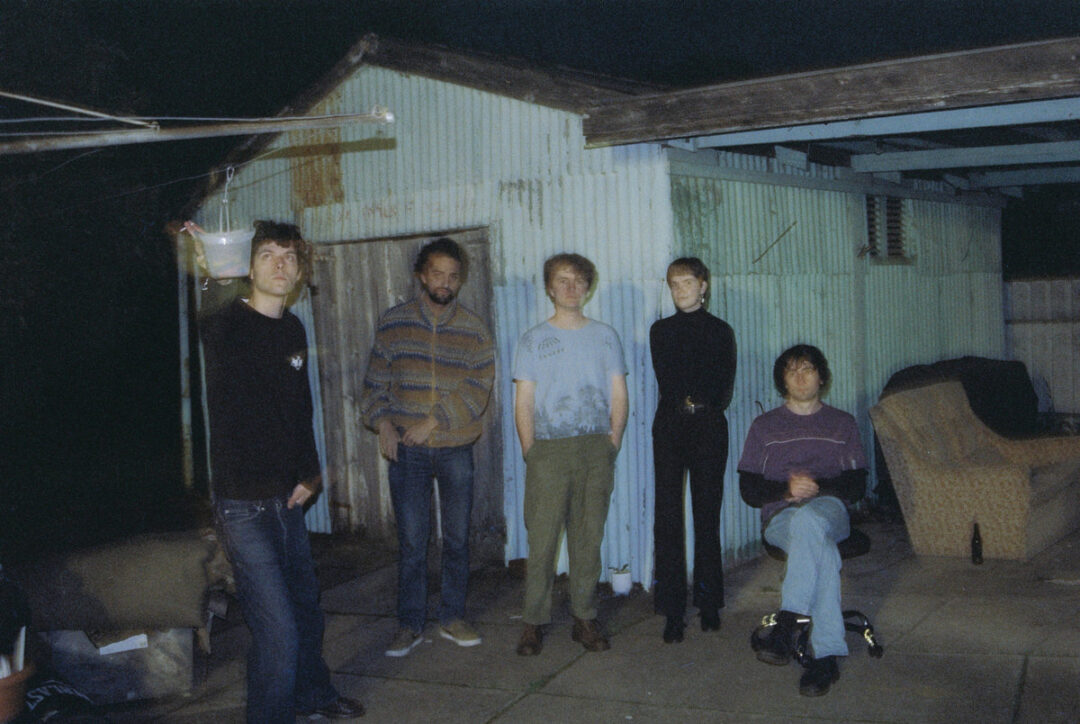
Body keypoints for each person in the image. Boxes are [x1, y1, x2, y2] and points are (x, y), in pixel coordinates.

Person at [201, 220, 364, 722]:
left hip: (289, 501)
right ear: (247, 266)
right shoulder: (224, 324)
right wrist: (208, 261)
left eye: (289, 257)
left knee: (307, 614)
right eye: (267, 254)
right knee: (277, 628)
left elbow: (299, 411)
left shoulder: (293, 328)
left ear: (299, 271)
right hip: (243, 504)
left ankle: (313, 697)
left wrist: (313, 474)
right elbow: (204, 303)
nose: (279, 264)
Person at [360, 237, 495, 657]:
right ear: (422, 275)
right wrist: (382, 422)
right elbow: (374, 385)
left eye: (453, 276)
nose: (445, 282)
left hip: (455, 448)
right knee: (413, 542)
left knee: (456, 540)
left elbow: (478, 388)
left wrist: (431, 420)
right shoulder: (394, 323)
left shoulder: (473, 330)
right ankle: (410, 623)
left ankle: (452, 616)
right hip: (408, 451)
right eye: (437, 273)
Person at [512, 253, 628, 656]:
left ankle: (584, 617)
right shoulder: (531, 340)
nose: (571, 287)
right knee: (542, 540)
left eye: (579, 280)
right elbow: (523, 401)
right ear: (549, 287)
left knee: (587, 538)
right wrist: (532, 452)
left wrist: (611, 443)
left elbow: (618, 393)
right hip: (548, 452)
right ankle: (533, 622)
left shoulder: (605, 336)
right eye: (563, 280)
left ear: (588, 286)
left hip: (595, 449)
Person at [737, 344, 867, 697]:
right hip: (781, 516)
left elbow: (857, 486)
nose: (799, 376)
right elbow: (748, 489)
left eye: (807, 368)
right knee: (820, 549)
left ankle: (787, 623)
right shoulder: (764, 426)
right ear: (782, 380)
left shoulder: (843, 423)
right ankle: (826, 657)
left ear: (821, 377)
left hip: (831, 510)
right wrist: (785, 491)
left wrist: (817, 487)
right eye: (791, 370)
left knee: (811, 519)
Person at [649, 257, 736, 643]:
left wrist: (701, 406)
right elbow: (670, 380)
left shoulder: (721, 331)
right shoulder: (660, 331)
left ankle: (710, 601)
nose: (680, 289)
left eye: (687, 282)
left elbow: (723, 387)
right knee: (668, 516)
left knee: (706, 512)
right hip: (670, 426)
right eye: (673, 284)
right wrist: (687, 402)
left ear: (704, 285)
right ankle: (672, 609)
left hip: (708, 426)